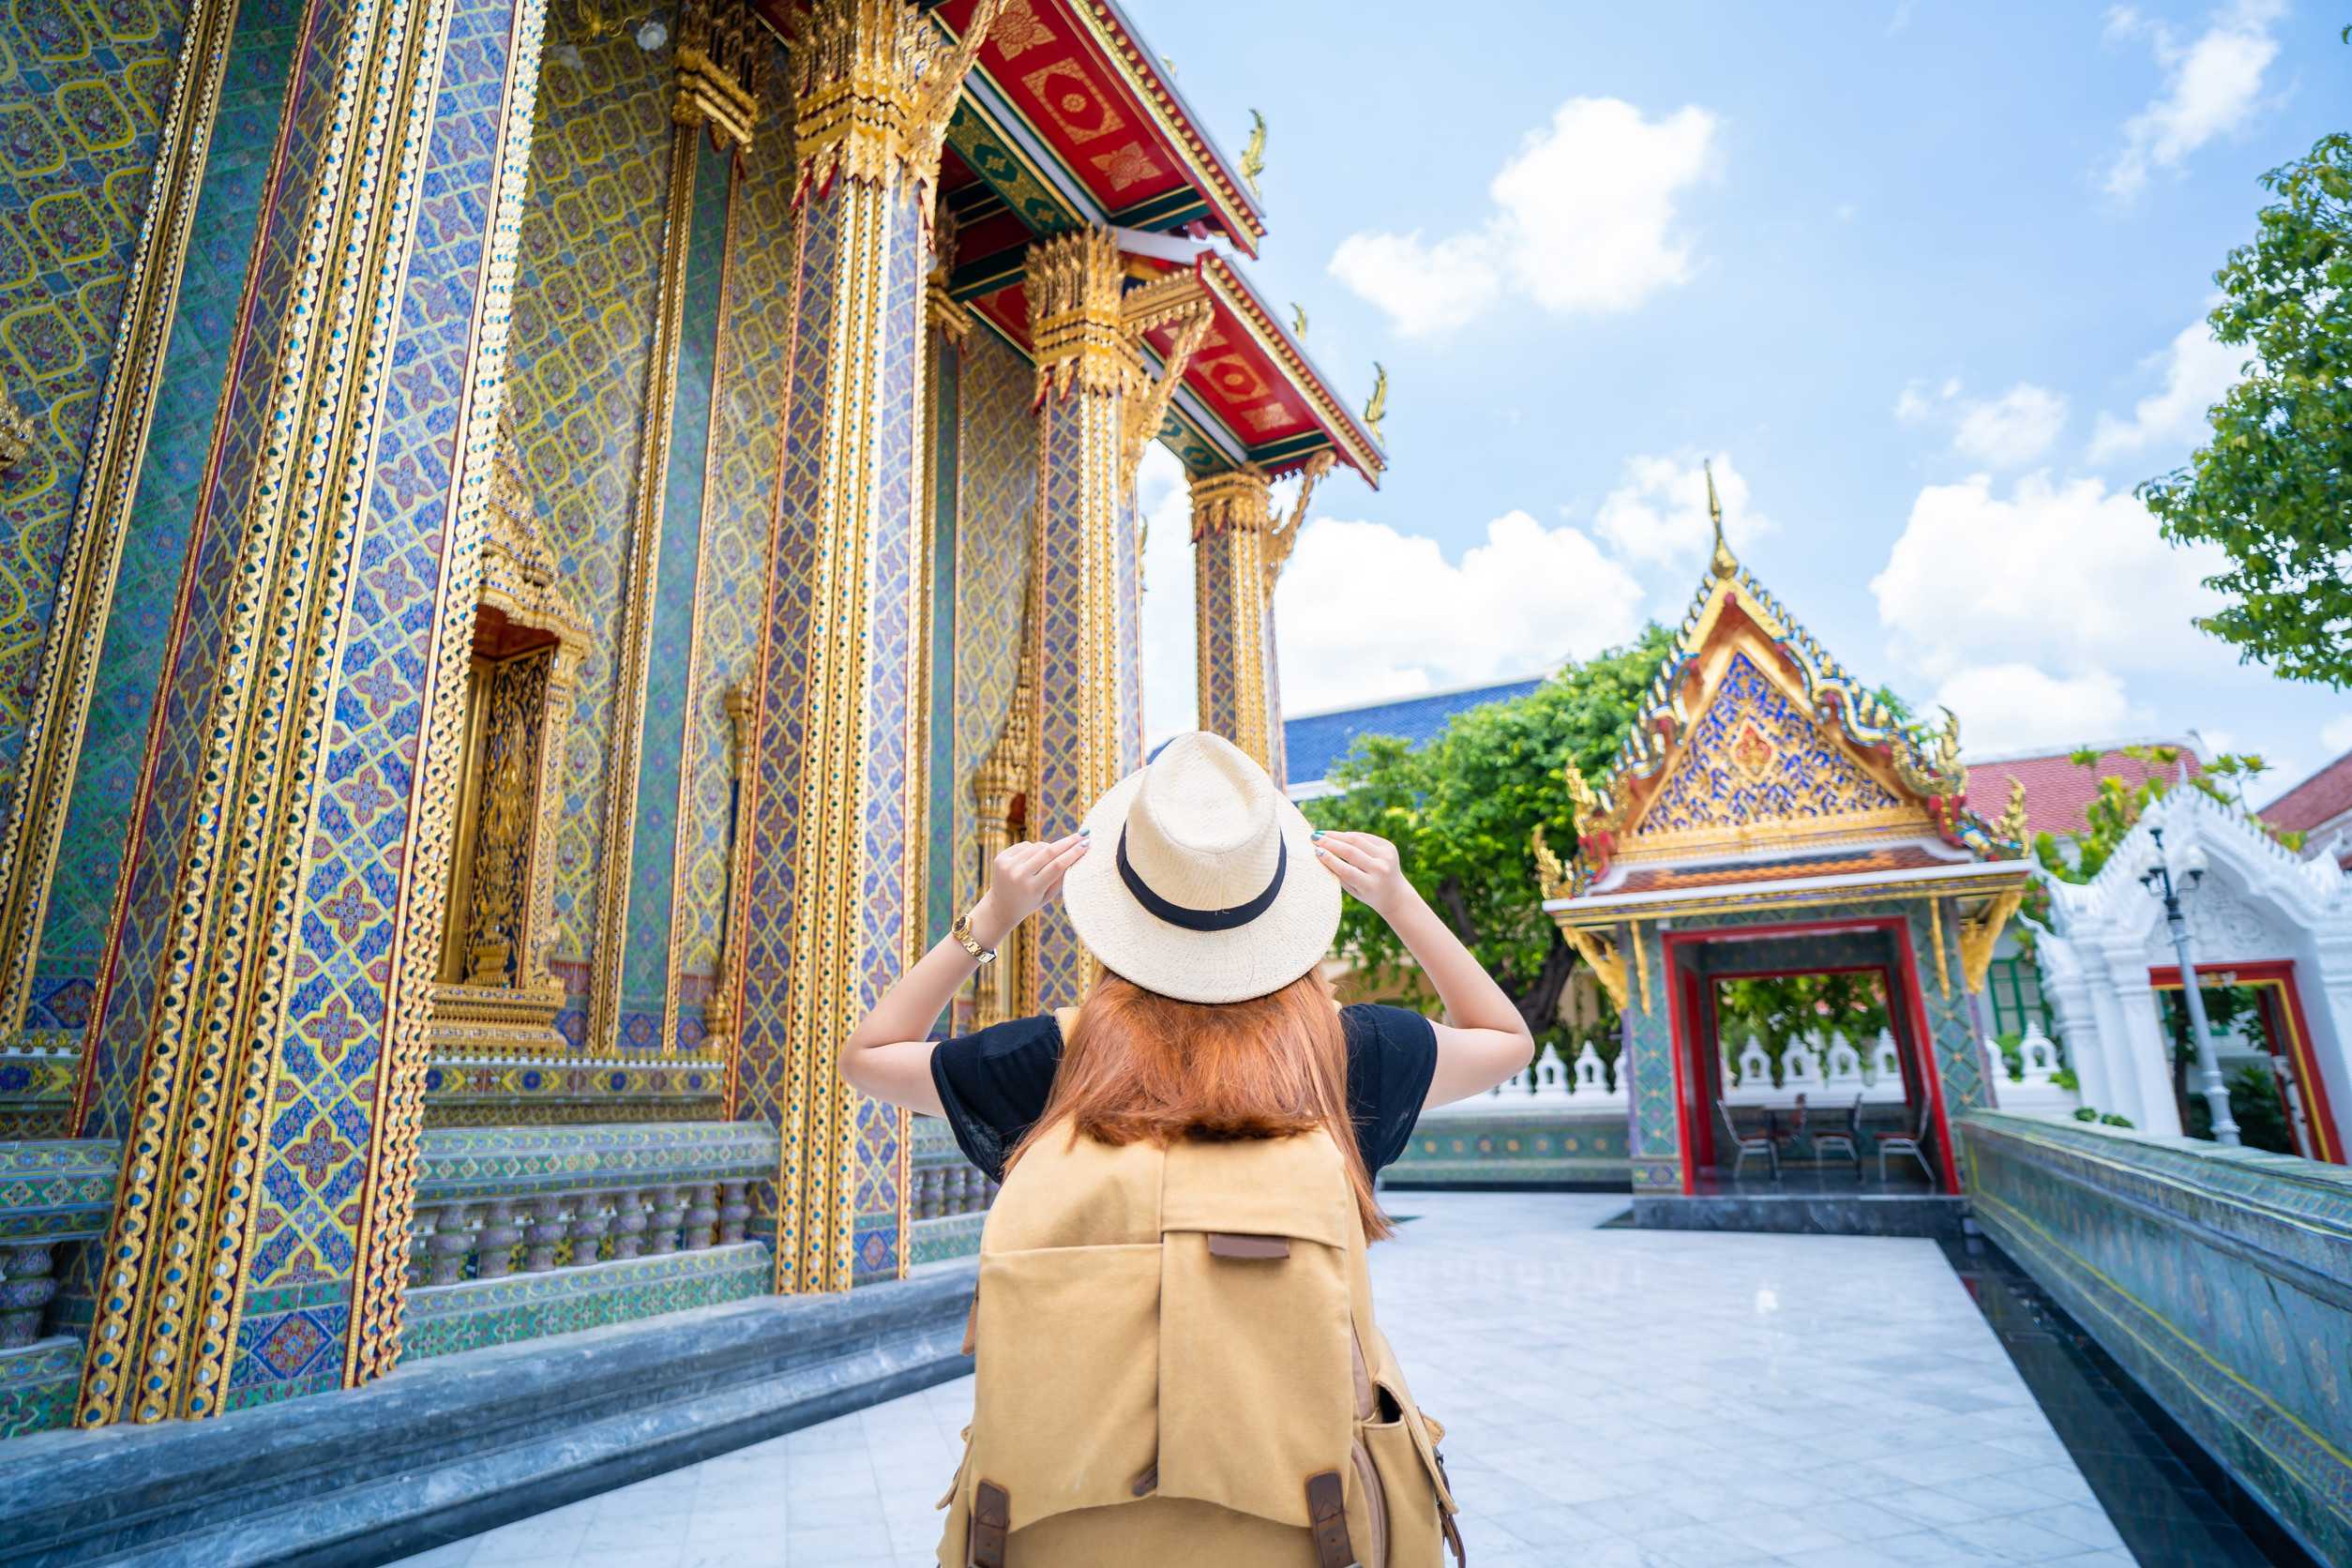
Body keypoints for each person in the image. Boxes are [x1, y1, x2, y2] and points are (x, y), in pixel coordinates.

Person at [843, 731, 1533, 1566]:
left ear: (1120, 911)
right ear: (1282, 901)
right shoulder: (1350, 1056)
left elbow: (869, 1058)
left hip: (1065, 1531)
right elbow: (1506, 1038)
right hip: (1315, 1525)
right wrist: (1398, 900)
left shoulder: (1054, 1062)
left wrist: (992, 917)